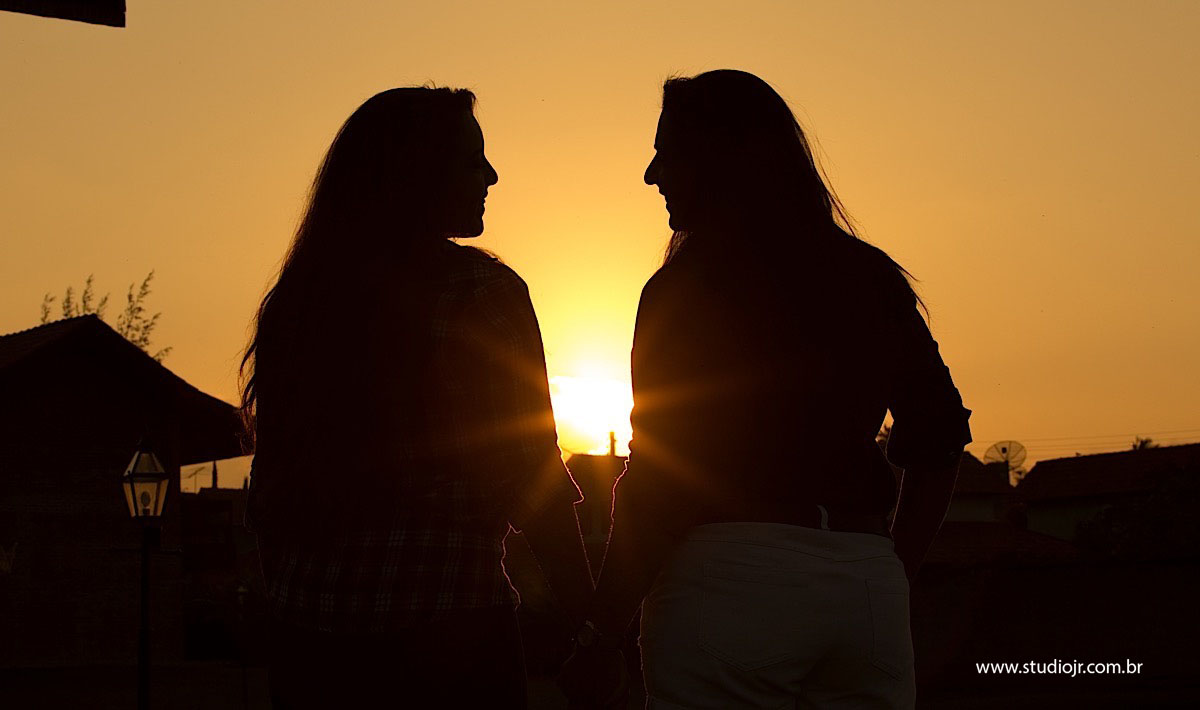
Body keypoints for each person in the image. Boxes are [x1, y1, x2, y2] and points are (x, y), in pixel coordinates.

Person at [563, 70, 972, 709]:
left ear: (717, 158)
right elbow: (940, 437)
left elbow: (661, 482)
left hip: (734, 584)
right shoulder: (869, 277)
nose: (650, 174)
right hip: (863, 590)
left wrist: (601, 632)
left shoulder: (684, 289)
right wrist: (890, 568)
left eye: (665, 153)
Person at [239, 87, 594, 709]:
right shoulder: (480, 294)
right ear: (417, 176)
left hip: (311, 642)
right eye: (470, 161)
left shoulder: (297, 305)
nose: (490, 176)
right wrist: (595, 625)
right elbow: (529, 474)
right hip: (448, 636)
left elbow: (269, 493)